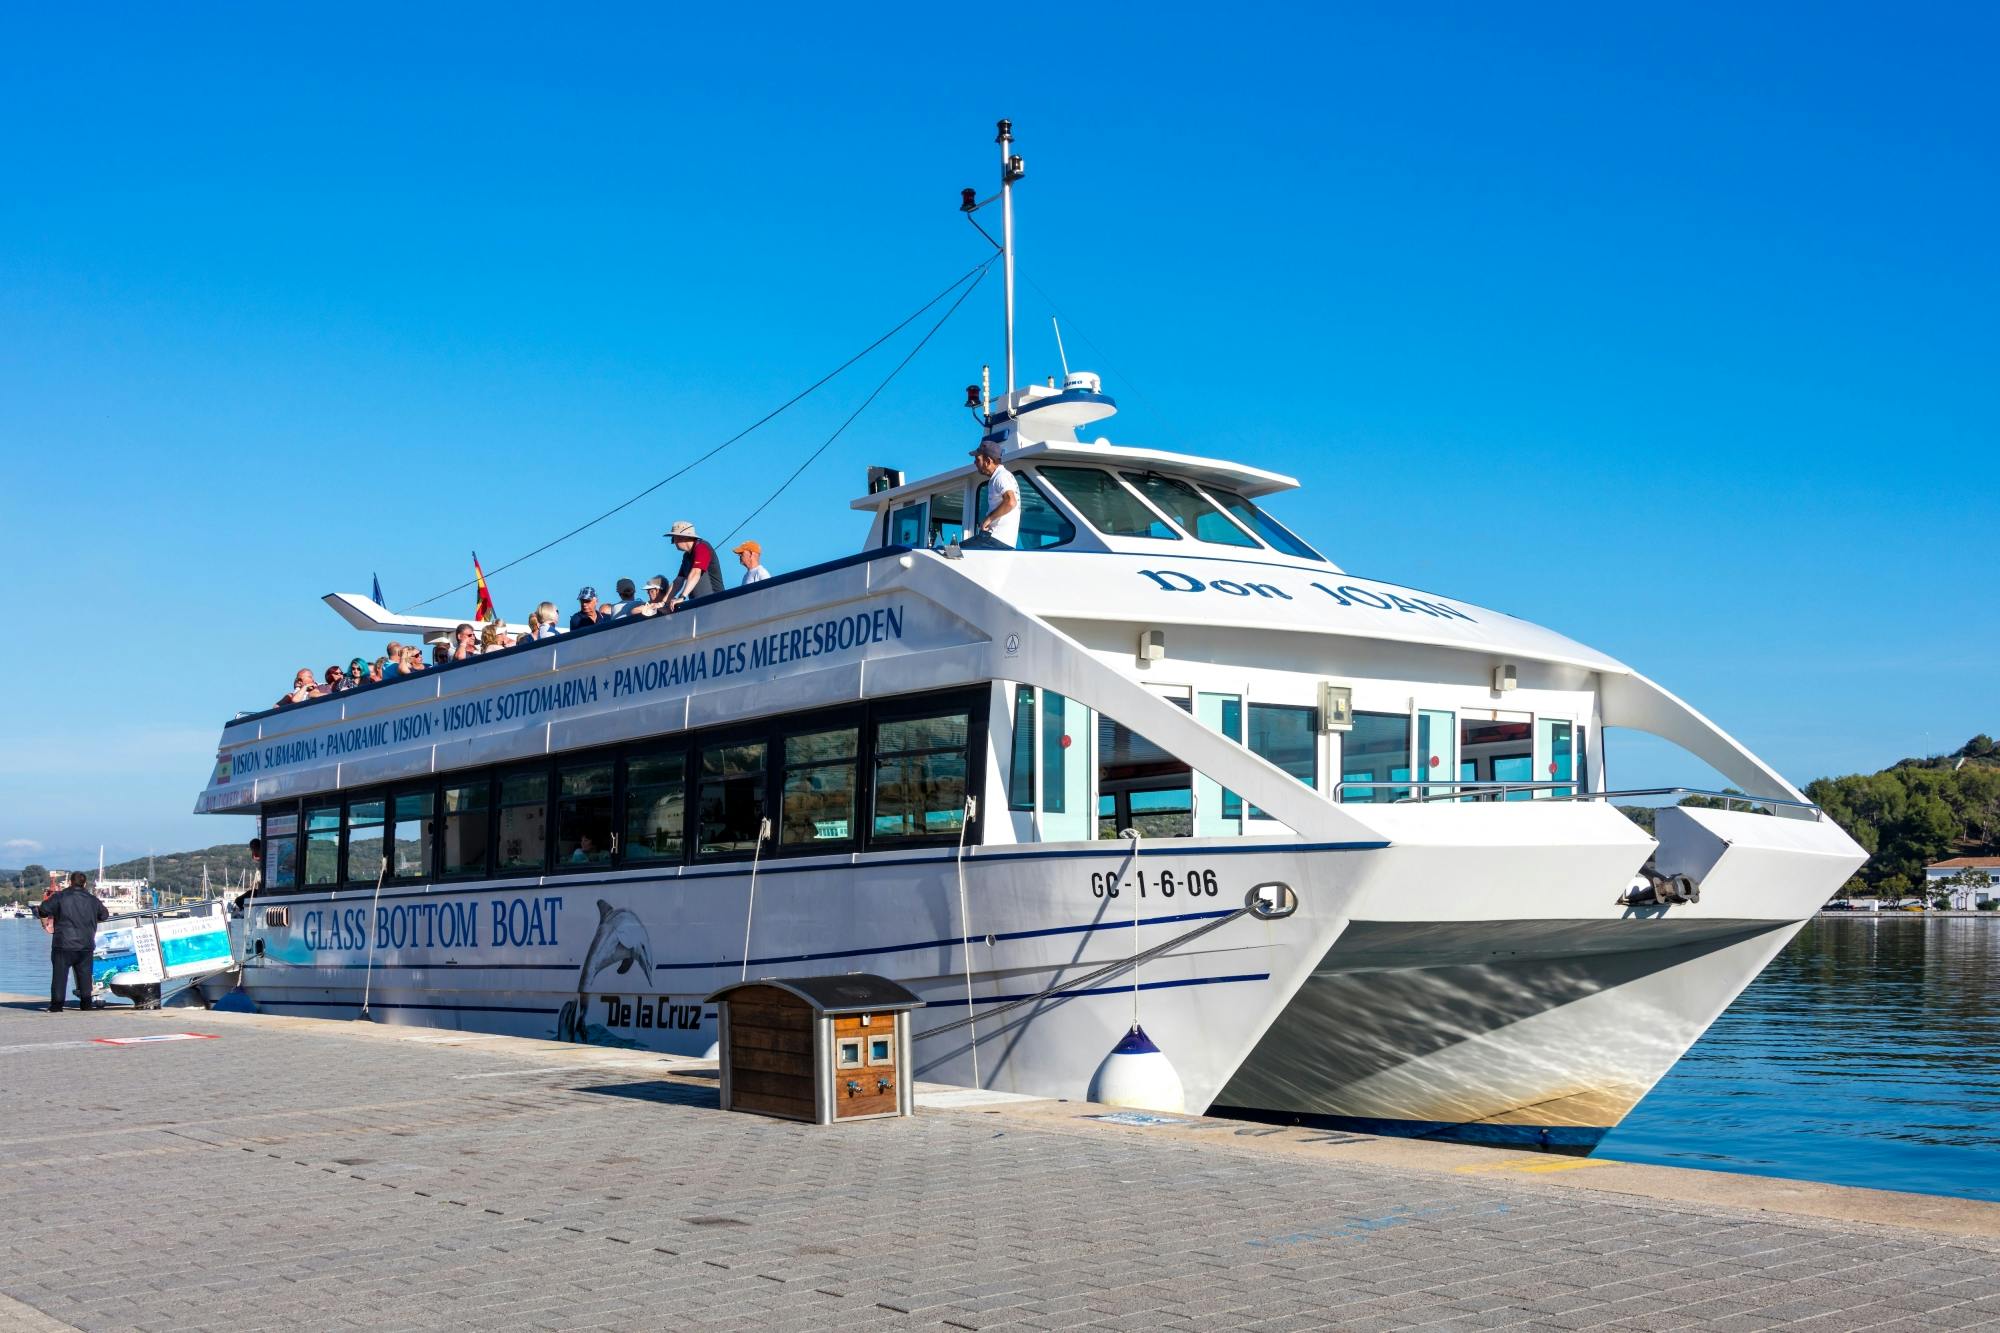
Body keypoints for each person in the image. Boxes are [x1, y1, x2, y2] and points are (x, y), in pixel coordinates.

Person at [36, 871, 108, 1013]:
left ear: (70, 882)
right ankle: (86, 1004)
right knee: (85, 975)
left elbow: (43, 909)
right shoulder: (92, 899)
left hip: (63, 943)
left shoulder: (60, 897)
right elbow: (104, 915)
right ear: (85, 883)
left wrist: (45, 924)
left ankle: (57, 1006)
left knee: (59, 976)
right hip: (86, 944)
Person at [965, 440, 1020, 549]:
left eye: (977, 459)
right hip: (1001, 541)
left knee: (953, 552)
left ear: (988, 461)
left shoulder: (1001, 476)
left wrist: (988, 519)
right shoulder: (1001, 476)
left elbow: (1011, 501)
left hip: (996, 540)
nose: (974, 463)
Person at [665, 521, 724, 609]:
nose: (673, 543)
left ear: (683, 537)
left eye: (674, 538)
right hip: (700, 606)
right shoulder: (687, 556)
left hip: (715, 603)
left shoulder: (702, 547)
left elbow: (696, 572)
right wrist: (663, 602)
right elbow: (678, 580)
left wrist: (682, 597)